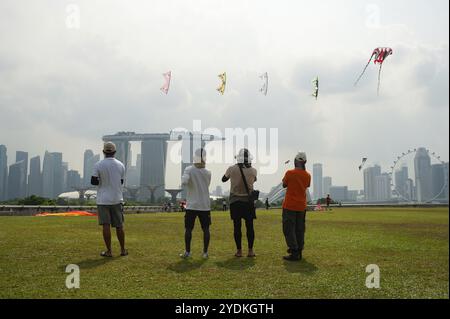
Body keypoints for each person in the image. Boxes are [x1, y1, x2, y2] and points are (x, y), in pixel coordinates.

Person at [91, 142, 127, 257]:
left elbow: (94, 181)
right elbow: (121, 181)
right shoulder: (121, 165)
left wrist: (102, 180)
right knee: (119, 225)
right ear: (114, 152)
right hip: (117, 198)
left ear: (103, 152)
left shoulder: (98, 165)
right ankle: (122, 250)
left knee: (106, 225)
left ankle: (109, 251)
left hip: (103, 199)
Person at [222, 149, 257, 258]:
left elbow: (223, 179)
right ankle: (250, 251)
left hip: (235, 202)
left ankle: (239, 251)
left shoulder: (232, 169)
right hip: (248, 202)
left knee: (237, 227)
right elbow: (254, 180)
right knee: (249, 227)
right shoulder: (253, 170)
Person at [179, 149, 212, 259]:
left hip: (192, 205)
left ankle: (187, 252)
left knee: (188, 229)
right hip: (204, 205)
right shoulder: (208, 172)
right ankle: (205, 252)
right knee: (206, 229)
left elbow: (184, 182)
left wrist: (186, 177)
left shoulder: (189, 169)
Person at [281, 151, 311, 261]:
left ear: (295, 161)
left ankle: (293, 251)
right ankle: (299, 250)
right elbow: (306, 185)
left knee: (289, 229)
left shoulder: (289, 173)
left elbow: (284, 184)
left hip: (290, 205)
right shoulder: (308, 175)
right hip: (301, 206)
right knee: (300, 229)